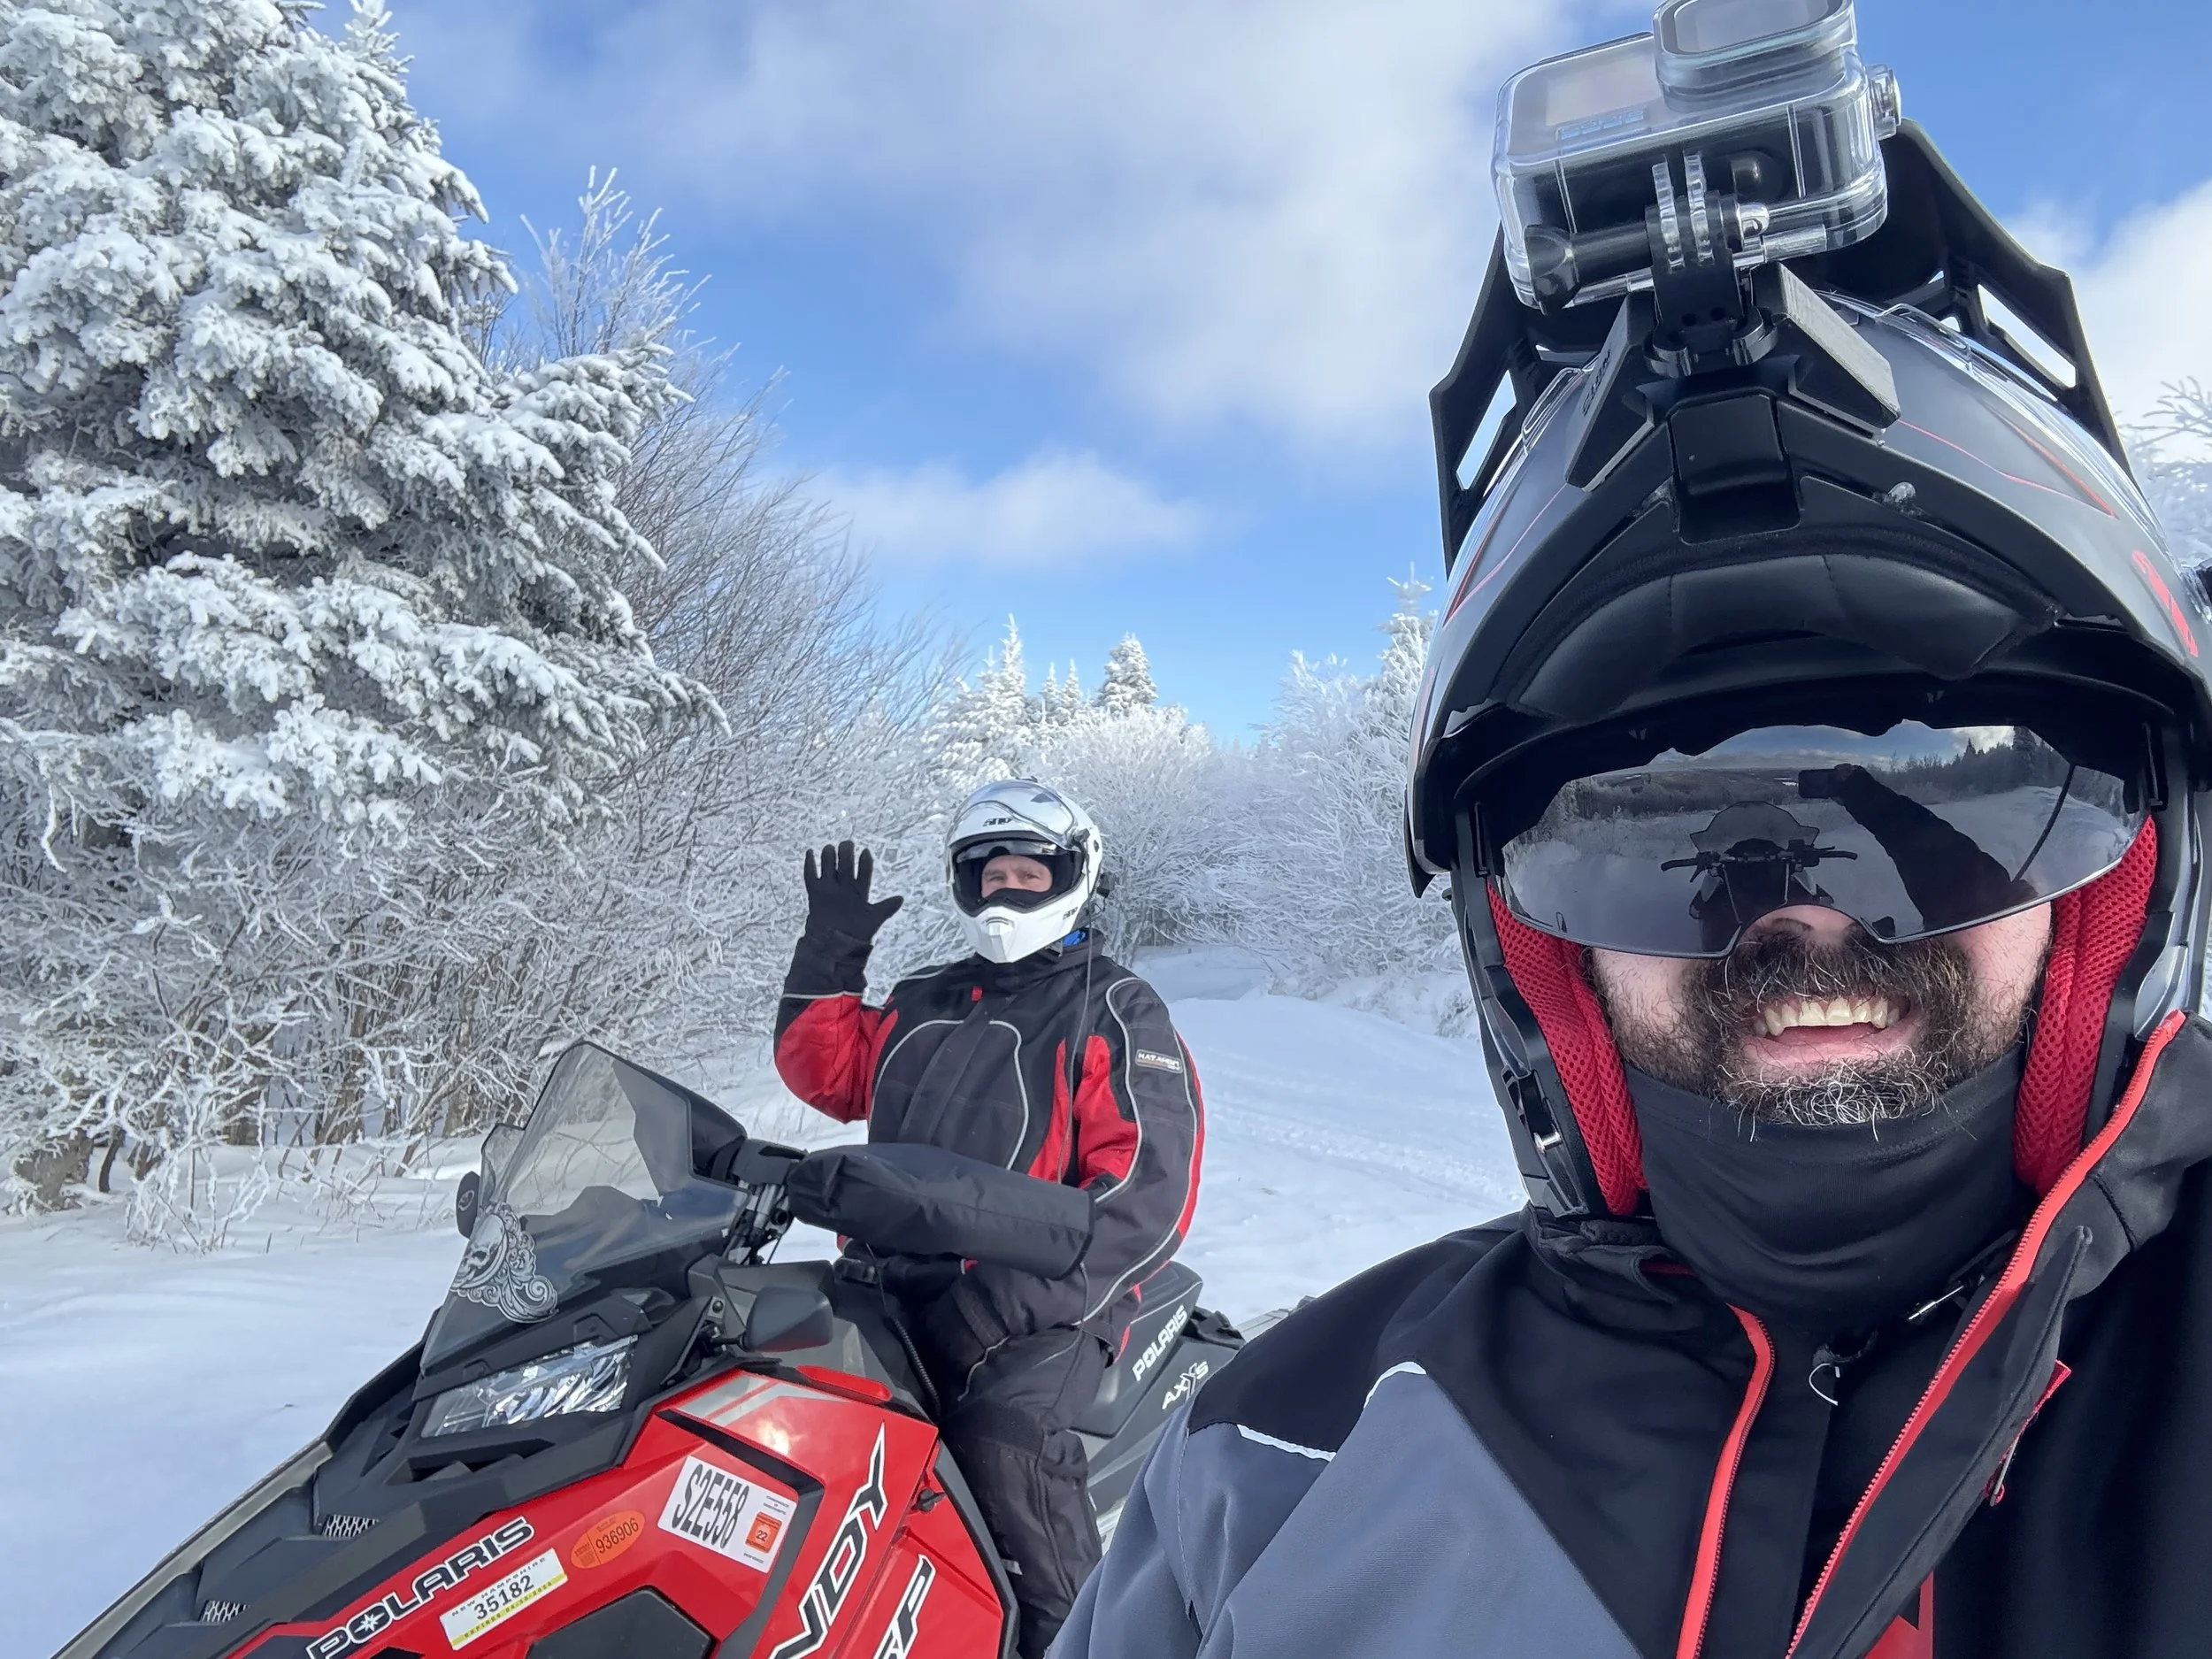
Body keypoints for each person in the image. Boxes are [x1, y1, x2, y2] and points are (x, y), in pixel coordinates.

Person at [1054, 8, 2212, 1657]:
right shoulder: (1272, 1467)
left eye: (1948, 812)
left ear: (2127, 872)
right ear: (1536, 949)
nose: (1806, 918)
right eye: (1665, 852)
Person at [773, 780, 1202, 1658]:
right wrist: (829, 956)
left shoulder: (1116, 1009)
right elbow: (828, 1075)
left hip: (1047, 1305)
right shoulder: (923, 997)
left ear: (1072, 879)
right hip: (885, 1284)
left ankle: (1080, 1640)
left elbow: (1144, 1199)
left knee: (1005, 1446)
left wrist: (1000, 1302)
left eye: (1029, 873)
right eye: (992, 874)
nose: (1008, 889)